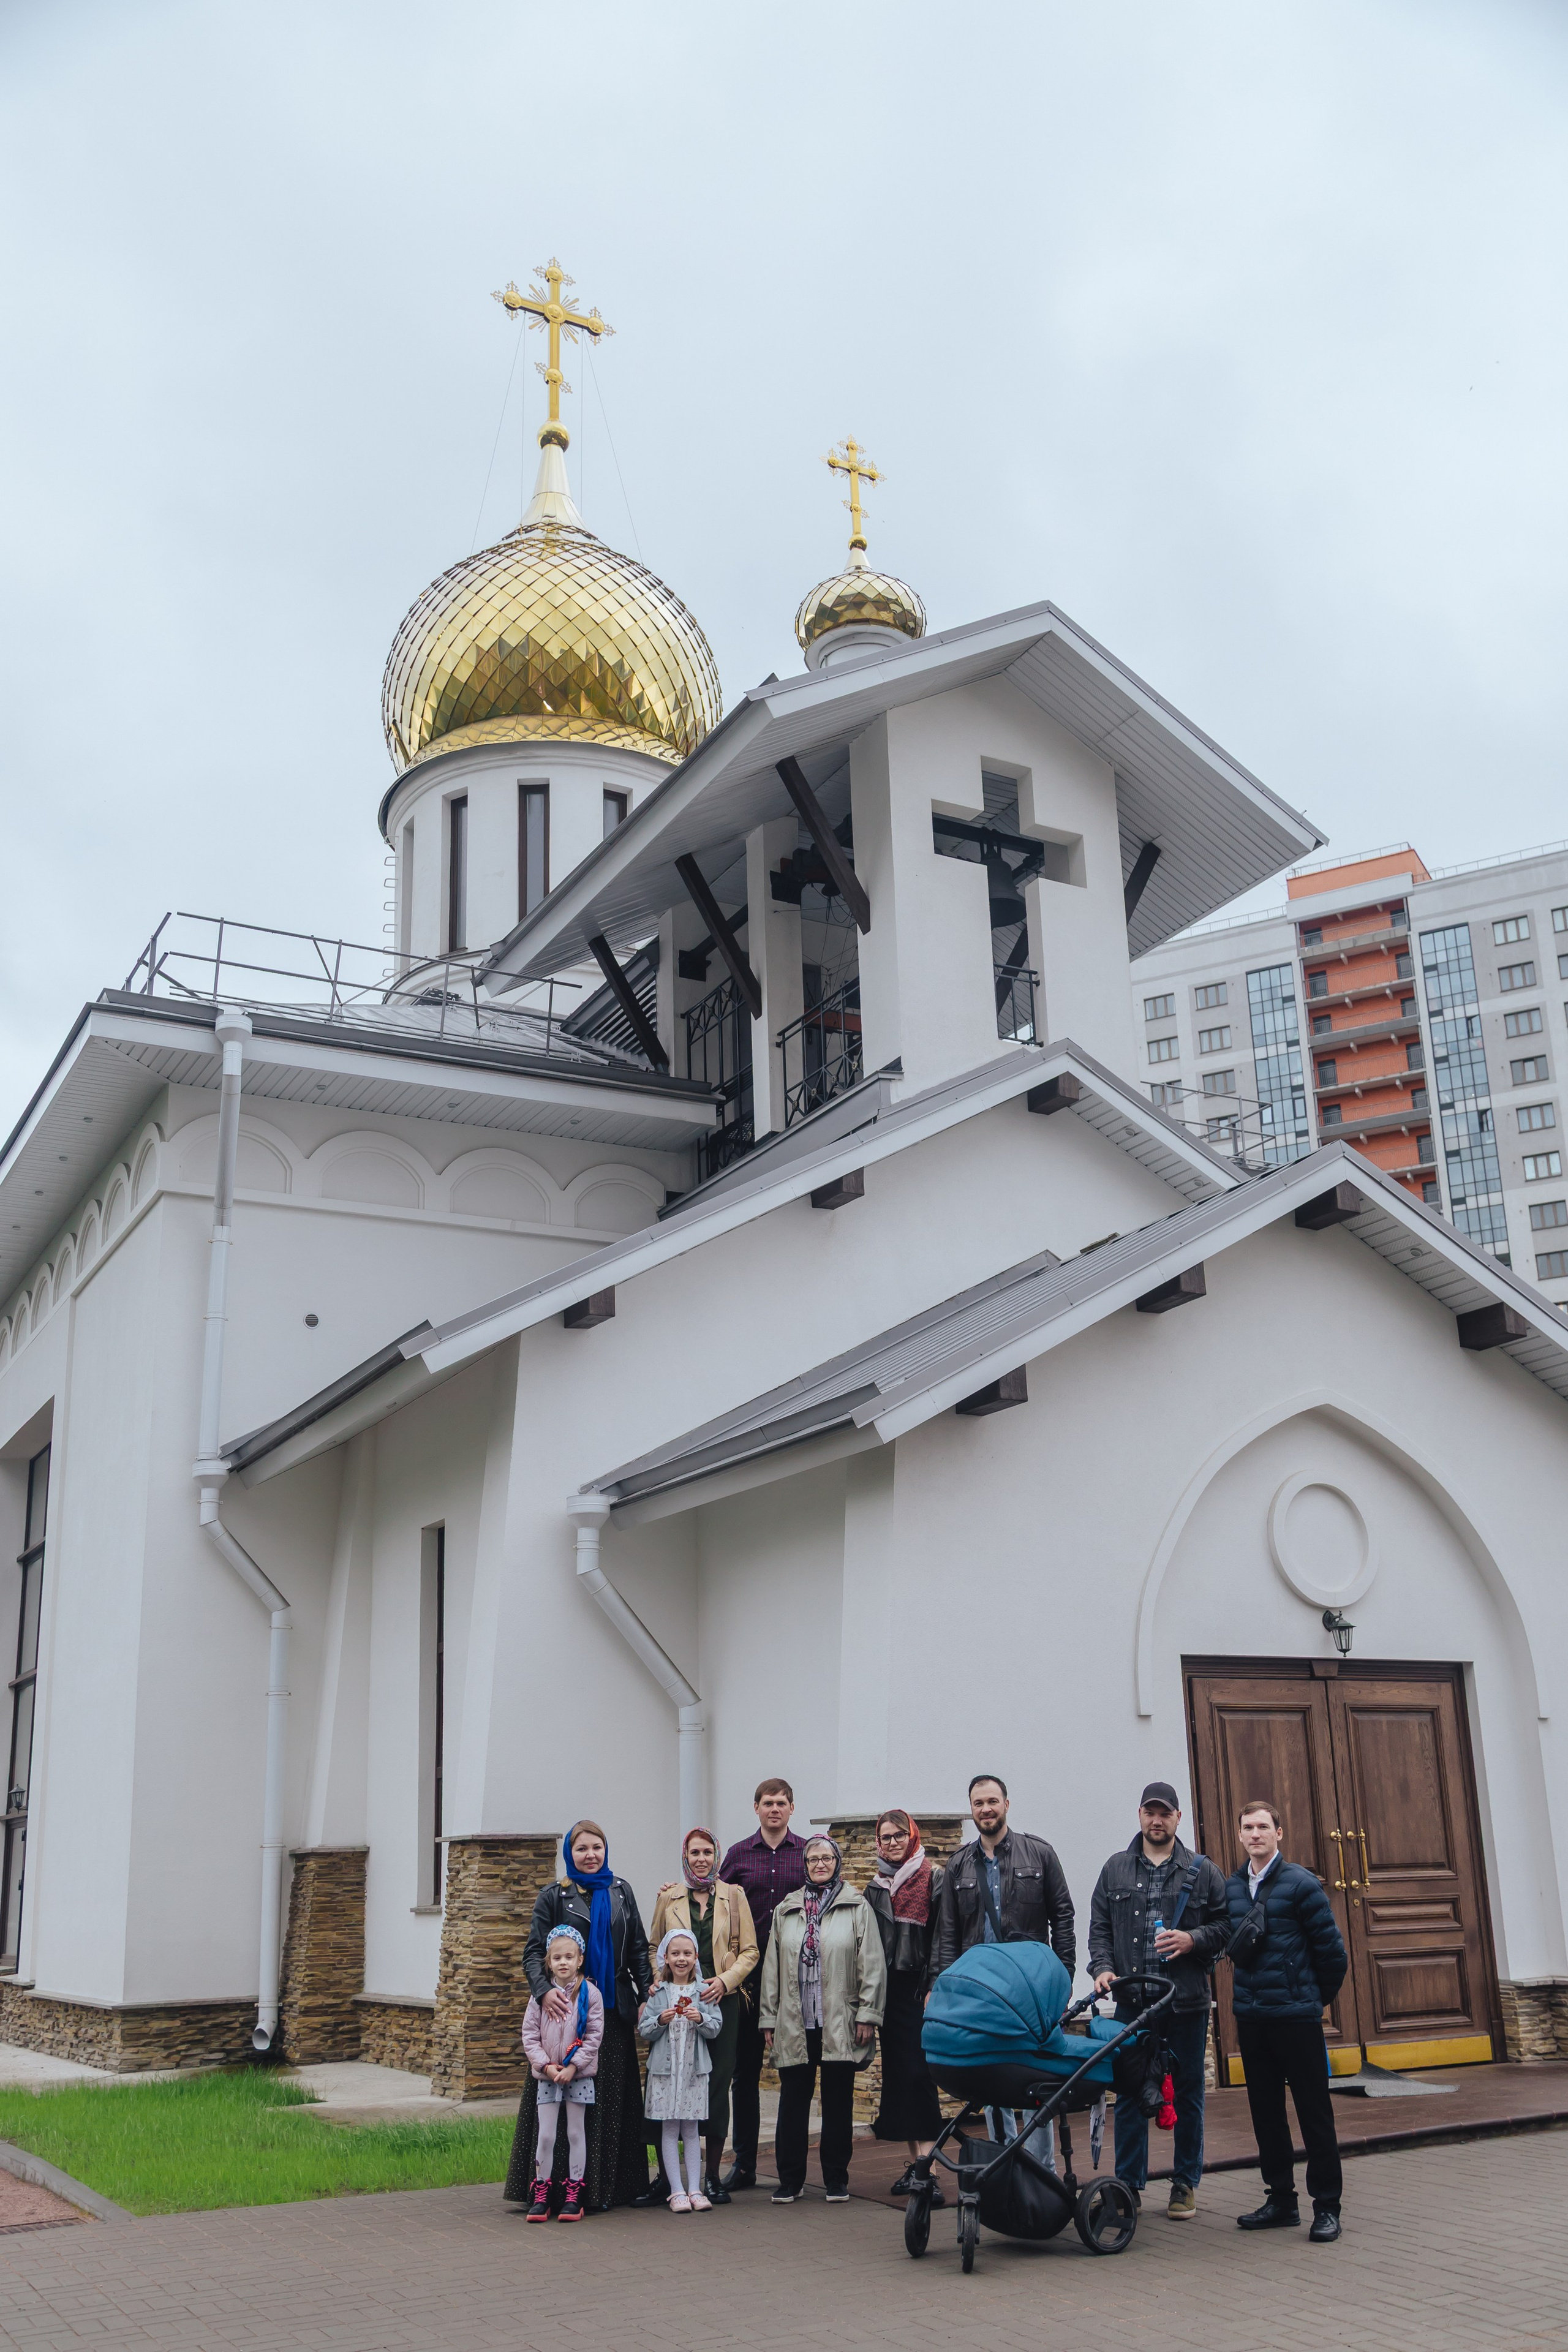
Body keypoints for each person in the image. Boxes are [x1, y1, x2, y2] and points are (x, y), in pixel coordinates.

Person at [1088, 1779, 1229, 2221]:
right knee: (1131, 2094)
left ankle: (1185, 2183)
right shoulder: (1115, 1869)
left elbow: (1227, 1930)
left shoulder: (1202, 1870)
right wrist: (1102, 1969)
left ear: (1177, 1818)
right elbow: (1100, 1930)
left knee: (1187, 2095)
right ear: (1140, 1815)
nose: (1157, 1819)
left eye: (1165, 1812)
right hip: (1134, 2003)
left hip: (1185, 2003)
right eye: (1150, 1811)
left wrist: (1192, 1939)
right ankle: (1128, 2187)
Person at [504, 1820, 653, 2212]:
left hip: (613, 2011)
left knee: (609, 2103)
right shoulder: (553, 1896)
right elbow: (534, 1953)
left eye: (597, 1848)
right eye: (582, 1848)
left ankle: (609, 2188)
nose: (590, 1855)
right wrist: (544, 1991)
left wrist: (644, 1995)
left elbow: (637, 1947)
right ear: (570, 1852)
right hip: (564, 2014)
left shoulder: (622, 1891)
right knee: (561, 2105)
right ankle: (551, 2191)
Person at [930, 1774, 1075, 2165]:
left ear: (1006, 1804)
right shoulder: (958, 1865)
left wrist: (1062, 1981)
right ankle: (1004, 2163)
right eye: (978, 1803)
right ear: (972, 1810)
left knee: (1034, 2076)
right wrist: (941, 1989)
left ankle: (1040, 2168)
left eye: (992, 1801)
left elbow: (1063, 1918)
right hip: (982, 1991)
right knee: (989, 2076)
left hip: (1031, 1990)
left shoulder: (1040, 1854)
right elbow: (947, 1932)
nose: (986, 1809)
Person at [1224, 1798, 1349, 2244]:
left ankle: (1327, 2207)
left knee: (1315, 2113)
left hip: (1296, 2019)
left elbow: (1333, 1955)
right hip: (1253, 2019)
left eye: (1263, 1827)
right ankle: (1281, 2200)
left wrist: (1310, 2001)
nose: (1255, 1834)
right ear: (1239, 1836)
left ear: (1279, 1833)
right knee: (1266, 2115)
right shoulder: (1234, 1887)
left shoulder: (1301, 1885)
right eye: (1248, 1827)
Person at [760, 1833, 886, 2204]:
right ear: (805, 1865)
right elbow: (772, 1968)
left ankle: (835, 2178)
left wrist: (868, 2013)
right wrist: (769, 2017)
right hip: (795, 2021)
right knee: (793, 2101)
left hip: (839, 2020)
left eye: (826, 1859)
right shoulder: (788, 1908)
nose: (819, 1865)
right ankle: (790, 2180)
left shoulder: (856, 1906)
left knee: (838, 2102)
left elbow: (872, 1964)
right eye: (813, 1859)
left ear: (837, 1862)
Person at [647, 1828, 759, 2204]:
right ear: (685, 1856)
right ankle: (669, 2178)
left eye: (708, 1852)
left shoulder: (734, 1895)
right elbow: (653, 1947)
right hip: (674, 1999)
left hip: (718, 2001)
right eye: (695, 1852)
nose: (701, 1859)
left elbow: (750, 1951)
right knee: (669, 2080)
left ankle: (709, 2176)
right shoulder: (669, 1897)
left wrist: (725, 1983)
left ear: (717, 1856)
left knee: (713, 2082)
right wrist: (658, 1983)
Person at [717, 1777, 807, 2191]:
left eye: (782, 1803)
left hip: (797, 1978)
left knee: (796, 2073)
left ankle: (793, 2170)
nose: (775, 1809)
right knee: (745, 2072)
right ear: (756, 1808)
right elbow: (714, 1899)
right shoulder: (737, 1855)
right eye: (768, 1803)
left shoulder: (807, 1854)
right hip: (748, 1981)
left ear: (792, 1808)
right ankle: (745, 2164)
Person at [864, 1807, 946, 2203]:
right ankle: (916, 2167)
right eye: (886, 1837)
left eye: (898, 1835)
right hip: (889, 1995)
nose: (892, 1842)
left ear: (911, 1836)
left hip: (921, 1991)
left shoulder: (933, 1877)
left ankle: (928, 2171)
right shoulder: (875, 1887)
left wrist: (934, 1985)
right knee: (899, 2080)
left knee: (919, 2077)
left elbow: (944, 1939)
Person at [519, 1924, 604, 2223]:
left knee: (575, 2133)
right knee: (546, 2135)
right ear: (549, 1961)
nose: (564, 1963)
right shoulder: (540, 1997)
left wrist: (573, 2066)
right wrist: (545, 2066)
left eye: (570, 1957)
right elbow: (530, 2035)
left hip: (577, 2076)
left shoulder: (590, 1994)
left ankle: (574, 2195)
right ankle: (542, 2192)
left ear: (580, 1959)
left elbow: (594, 2035)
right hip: (548, 2076)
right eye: (557, 1958)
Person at [638, 1928, 724, 2213]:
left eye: (687, 1954)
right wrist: (660, 2021)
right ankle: (676, 2191)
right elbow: (645, 2030)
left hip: (692, 2072)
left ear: (696, 1957)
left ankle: (695, 2189)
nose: (681, 1959)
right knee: (668, 2128)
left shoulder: (703, 1992)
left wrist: (700, 2018)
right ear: (666, 1958)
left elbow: (715, 2028)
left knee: (691, 2128)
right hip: (666, 2072)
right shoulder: (659, 1993)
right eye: (675, 1954)